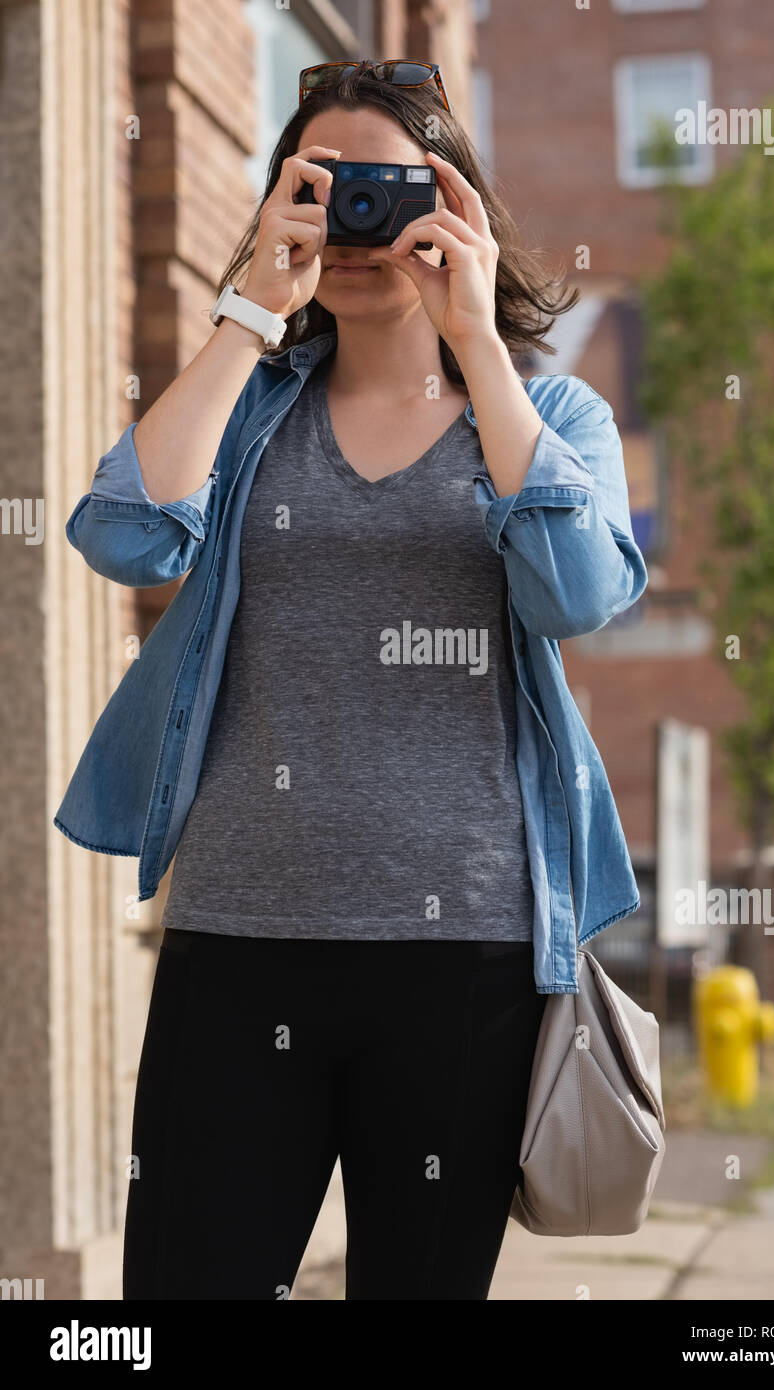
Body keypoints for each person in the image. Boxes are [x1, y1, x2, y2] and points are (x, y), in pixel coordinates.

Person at [57, 61, 647, 1300]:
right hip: (238, 937)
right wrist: (246, 312)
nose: (357, 220)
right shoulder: (253, 405)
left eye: (390, 187)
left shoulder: (551, 415)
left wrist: (479, 342)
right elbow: (120, 532)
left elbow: (577, 594)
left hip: (466, 959)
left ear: (458, 204)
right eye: (321, 189)